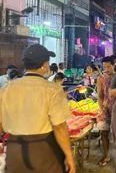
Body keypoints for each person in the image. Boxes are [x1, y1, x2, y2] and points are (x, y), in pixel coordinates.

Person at [0, 44, 75, 173]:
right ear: (45, 65)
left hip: (14, 151)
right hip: (43, 151)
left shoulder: (6, 89)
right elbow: (59, 127)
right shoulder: (52, 89)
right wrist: (69, 156)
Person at [96, 56, 115, 167]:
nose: (106, 69)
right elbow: (99, 96)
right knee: (104, 132)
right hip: (105, 109)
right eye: (104, 67)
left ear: (114, 65)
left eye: (109, 66)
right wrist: (101, 110)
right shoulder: (101, 78)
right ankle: (106, 154)